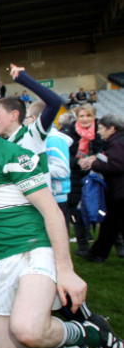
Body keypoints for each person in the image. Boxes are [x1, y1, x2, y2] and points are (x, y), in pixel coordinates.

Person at [0, 85, 124, 348]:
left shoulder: (11, 154)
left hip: (33, 250)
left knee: (28, 332)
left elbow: (51, 211)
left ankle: (84, 333)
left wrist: (66, 270)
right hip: (2, 259)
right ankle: (67, 334)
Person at [76, 114, 124, 262]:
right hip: (117, 191)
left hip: (119, 192)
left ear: (112, 128)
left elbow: (116, 165)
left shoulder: (117, 143)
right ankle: (97, 254)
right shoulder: (117, 140)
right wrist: (95, 158)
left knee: (111, 224)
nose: (98, 132)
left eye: (102, 128)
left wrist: (93, 164)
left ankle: (97, 254)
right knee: (109, 225)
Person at [26, 102, 73, 231]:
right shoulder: (36, 139)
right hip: (45, 198)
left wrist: (34, 166)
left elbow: (63, 171)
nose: (24, 121)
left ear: (34, 119)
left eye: (27, 117)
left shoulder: (53, 140)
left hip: (57, 199)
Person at [66, 104, 104, 254]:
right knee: (78, 212)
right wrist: (78, 161)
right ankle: (83, 247)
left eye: (88, 115)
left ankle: (116, 244)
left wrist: (94, 158)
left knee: (105, 210)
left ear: (94, 116)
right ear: (77, 117)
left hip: (98, 175)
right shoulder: (70, 132)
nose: (85, 119)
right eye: (82, 116)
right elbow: (64, 157)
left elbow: (109, 151)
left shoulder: (102, 130)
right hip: (76, 176)